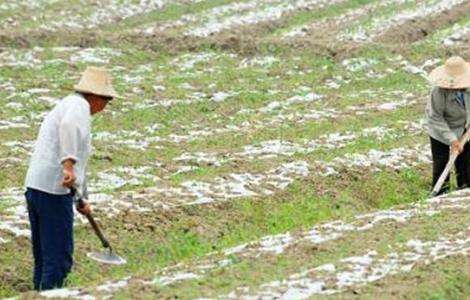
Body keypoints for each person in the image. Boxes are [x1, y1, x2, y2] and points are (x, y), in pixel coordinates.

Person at [24, 66, 118, 290]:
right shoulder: (78, 106)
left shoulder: (69, 104)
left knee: (45, 256)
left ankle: (39, 294)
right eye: (106, 101)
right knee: (59, 259)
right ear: (95, 96)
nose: (104, 108)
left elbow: (78, 160)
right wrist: (68, 165)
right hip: (53, 191)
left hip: (37, 186)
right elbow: (68, 131)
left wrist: (81, 198)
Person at [426, 56, 470, 195]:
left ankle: (464, 191)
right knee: (441, 164)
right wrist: (452, 140)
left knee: (465, 164)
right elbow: (435, 117)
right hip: (440, 131)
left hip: (464, 130)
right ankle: (440, 194)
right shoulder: (438, 93)